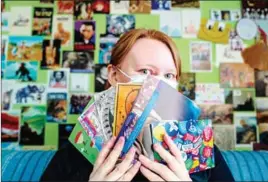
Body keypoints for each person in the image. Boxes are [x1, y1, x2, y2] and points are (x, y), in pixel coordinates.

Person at [41, 29, 234, 181]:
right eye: (145, 71)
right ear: (114, 75)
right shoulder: (81, 146)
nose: (158, 85)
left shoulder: (199, 146)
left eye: (169, 76)